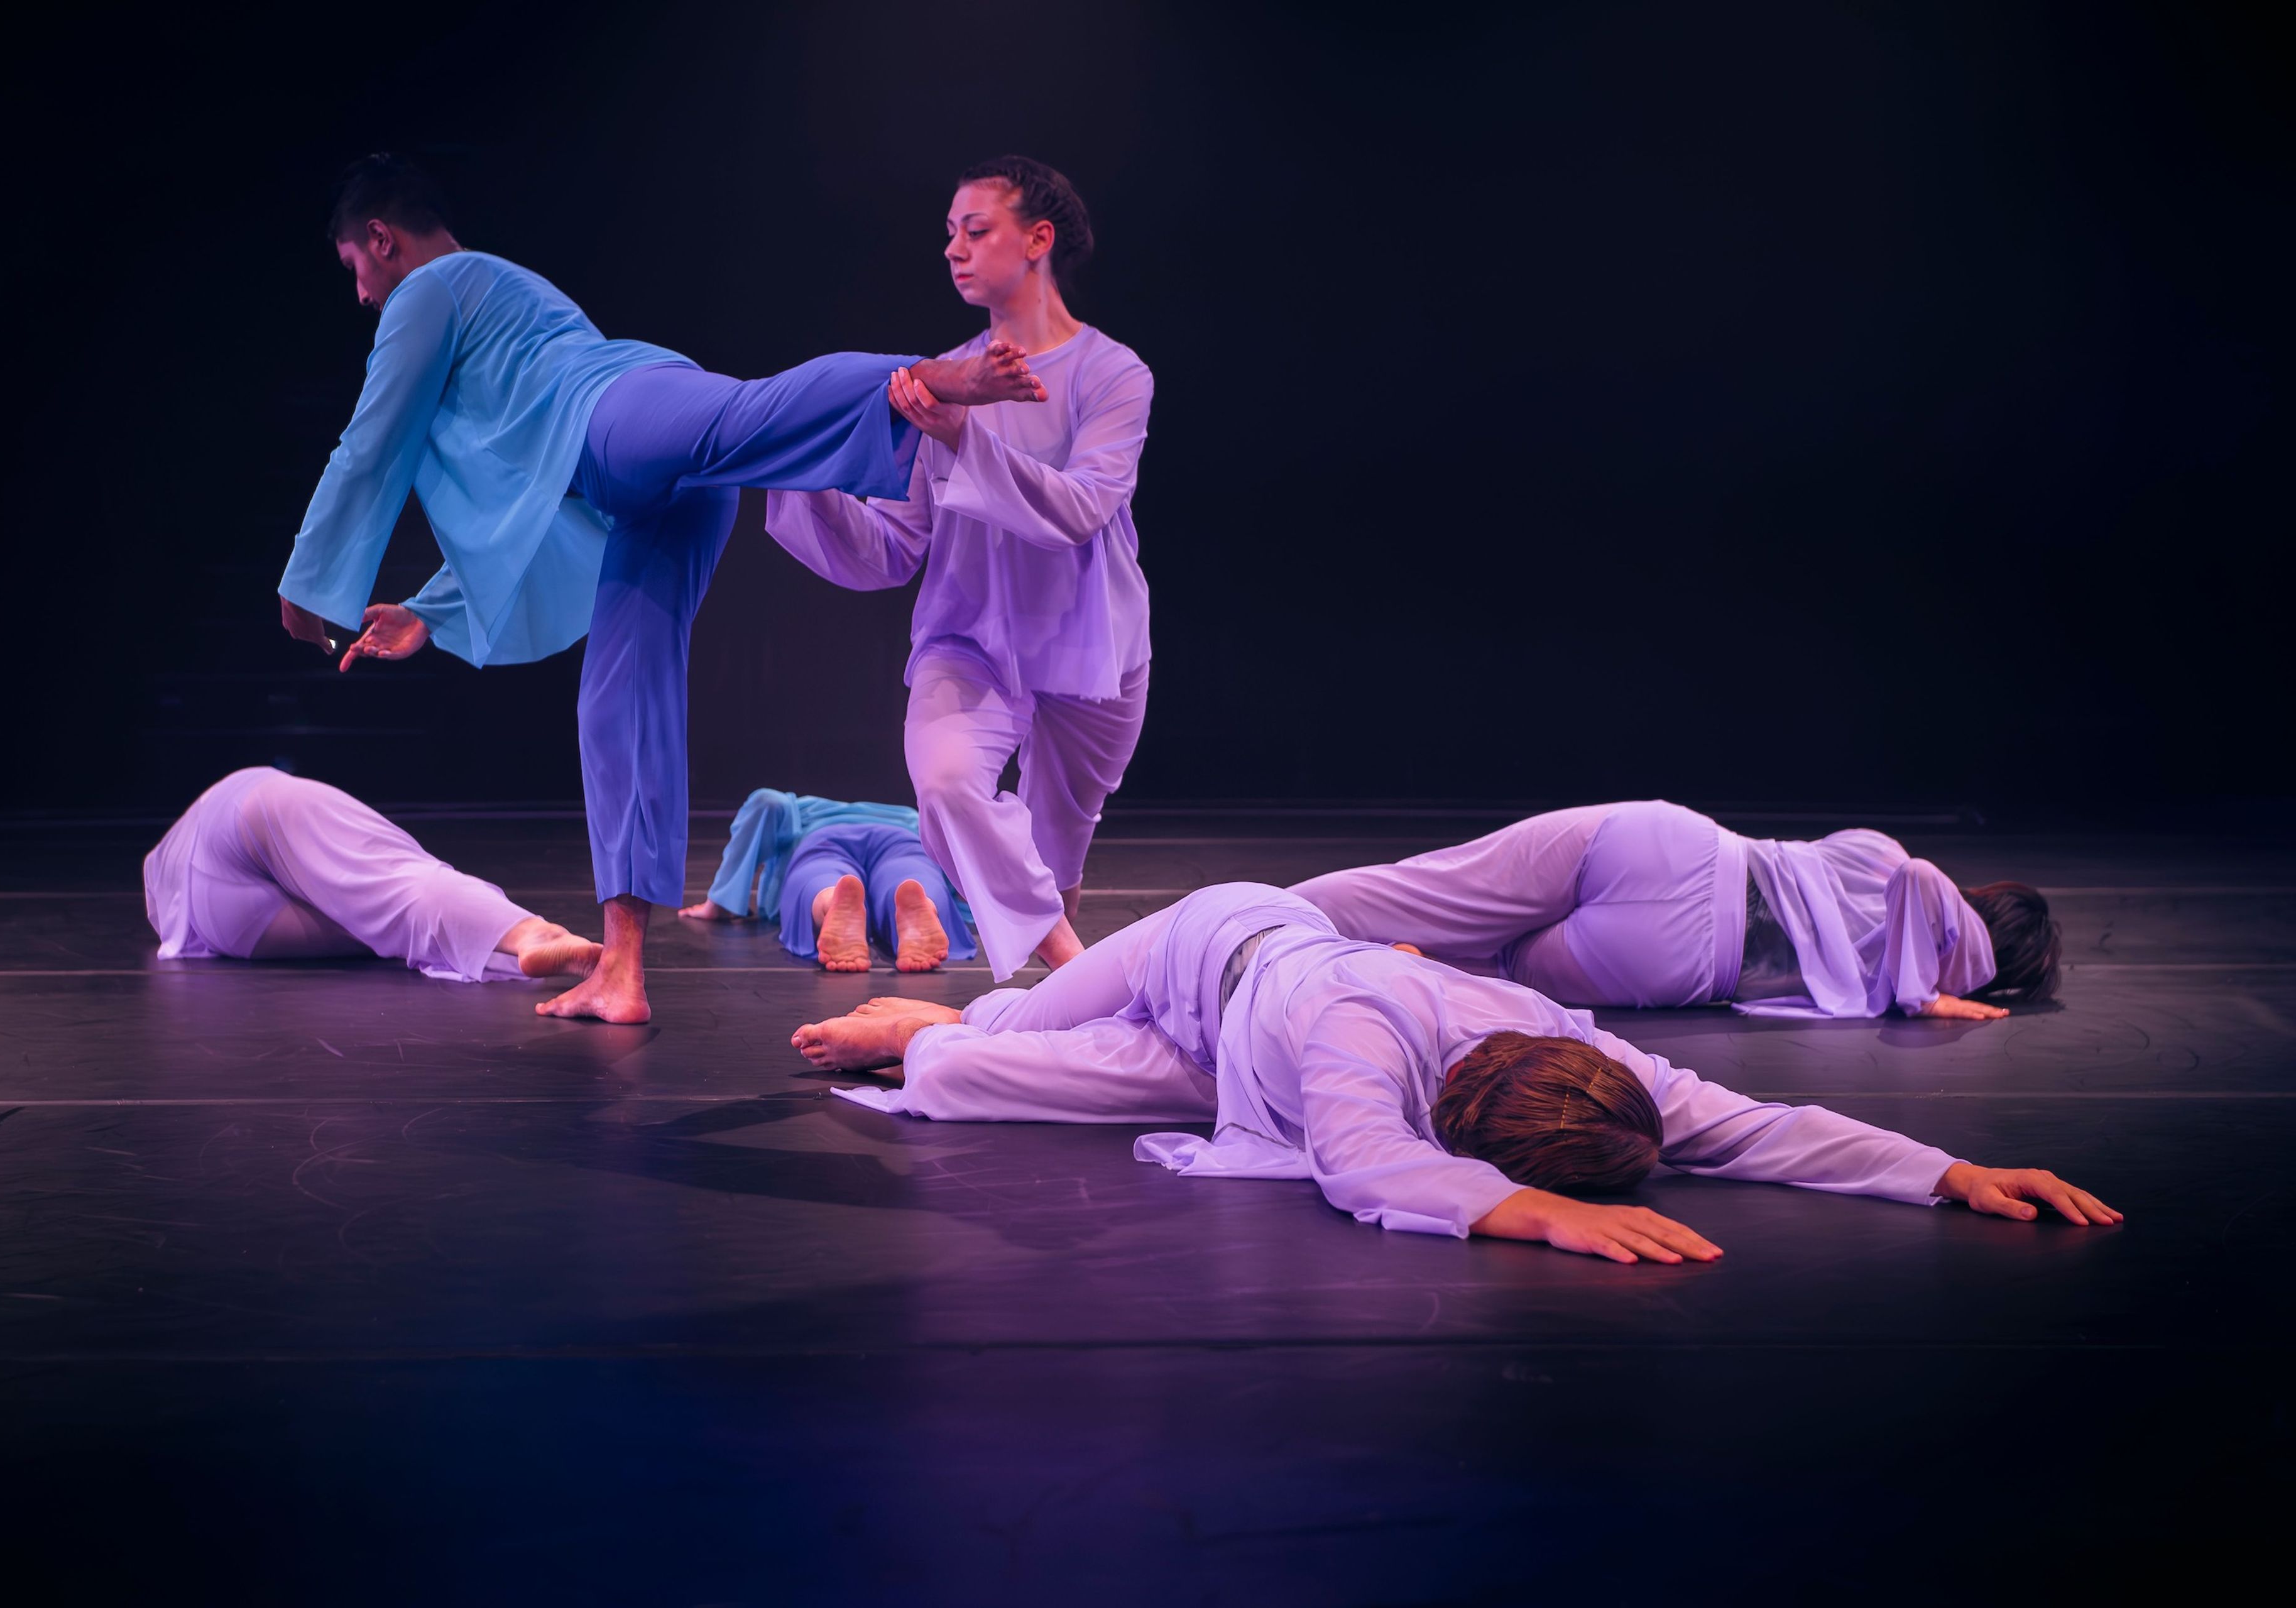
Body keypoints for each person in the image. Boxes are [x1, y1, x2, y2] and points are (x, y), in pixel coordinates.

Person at [274, 154, 1047, 1025]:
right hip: (637, 474)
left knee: (746, 417)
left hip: (625, 413)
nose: (363, 294)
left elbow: (373, 442)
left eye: (357, 270)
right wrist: (428, 608)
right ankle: (622, 971)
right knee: (620, 706)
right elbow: (523, 492)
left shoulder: (436, 286)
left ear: (380, 239)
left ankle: (938, 376)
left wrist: (311, 587)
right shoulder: (507, 289)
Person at [790, 884, 2119, 1262]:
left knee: (958, 1088)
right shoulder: (1368, 1046)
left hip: (1234, 1068)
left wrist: (1945, 1170)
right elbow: (1368, 1163)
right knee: (1008, 1037)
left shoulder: (1582, 1045)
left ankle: (934, 1043)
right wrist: (1535, 1209)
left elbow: (1759, 1125)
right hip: (1208, 947)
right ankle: (947, 1012)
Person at [766, 156, 1153, 982]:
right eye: (949, 233)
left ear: (1038, 239)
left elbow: (1081, 510)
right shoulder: (940, 378)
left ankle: (1060, 1005)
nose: (954, 248)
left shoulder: (1113, 374)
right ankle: (1081, 973)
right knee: (944, 786)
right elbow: (894, 547)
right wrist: (802, 474)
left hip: (1093, 647)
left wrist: (961, 435)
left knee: (1052, 862)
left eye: (975, 230)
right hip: (970, 638)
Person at [1287, 801, 2062, 1020]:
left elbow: (1923, 874)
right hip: (1682, 959)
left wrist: (1927, 987)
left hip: (1676, 848)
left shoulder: (1888, 859)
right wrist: (1924, 996)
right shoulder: (1946, 966)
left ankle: (1245, 923)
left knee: (1429, 890)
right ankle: (1287, 972)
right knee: (1481, 967)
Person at [144, 767, 598, 982]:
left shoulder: (163, 888)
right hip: (247, 806)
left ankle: (508, 944)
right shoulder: (246, 796)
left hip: (219, 923)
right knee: (397, 883)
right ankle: (534, 933)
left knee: (387, 927)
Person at [682, 787, 976, 971]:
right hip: (901, 834)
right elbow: (950, 853)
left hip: (822, 834)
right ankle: (923, 904)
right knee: (910, 872)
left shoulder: (803, 809)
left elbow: (765, 803)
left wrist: (720, 901)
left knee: (819, 872)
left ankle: (832, 903)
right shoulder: (912, 816)